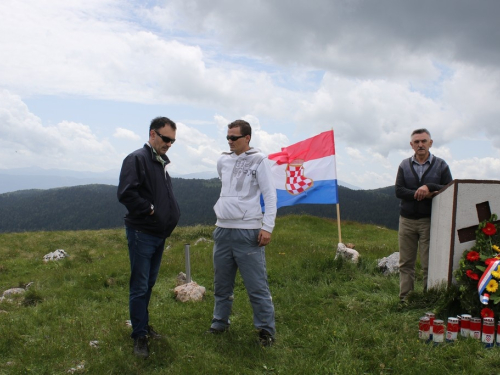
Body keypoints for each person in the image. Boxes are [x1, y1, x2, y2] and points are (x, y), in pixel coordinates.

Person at [207, 119, 277, 346]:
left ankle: (266, 331)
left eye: (234, 138)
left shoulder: (260, 160)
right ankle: (219, 322)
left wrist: (267, 227)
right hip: (223, 230)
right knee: (222, 283)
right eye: (228, 137)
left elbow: (270, 195)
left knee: (256, 285)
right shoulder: (223, 160)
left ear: (247, 138)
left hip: (248, 232)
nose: (230, 141)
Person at [117, 116, 180, 358]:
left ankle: (142, 326)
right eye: (165, 139)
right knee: (139, 286)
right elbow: (126, 193)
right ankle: (139, 336)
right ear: (152, 134)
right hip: (142, 232)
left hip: (157, 234)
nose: (168, 144)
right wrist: (150, 210)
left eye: (172, 141)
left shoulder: (159, 161)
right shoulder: (137, 158)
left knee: (148, 284)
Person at [395, 128, 452, 302]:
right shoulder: (404, 165)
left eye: (424, 141)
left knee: (429, 263)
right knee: (406, 263)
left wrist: (429, 186)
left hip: (429, 220)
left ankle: (428, 299)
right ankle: (406, 299)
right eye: (417, 142)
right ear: (411, 145)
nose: (420, 145)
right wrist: (420, 194)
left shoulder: (441, 165)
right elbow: (398, 190)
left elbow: (449, 187)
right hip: (406, 220)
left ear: (430, 143)